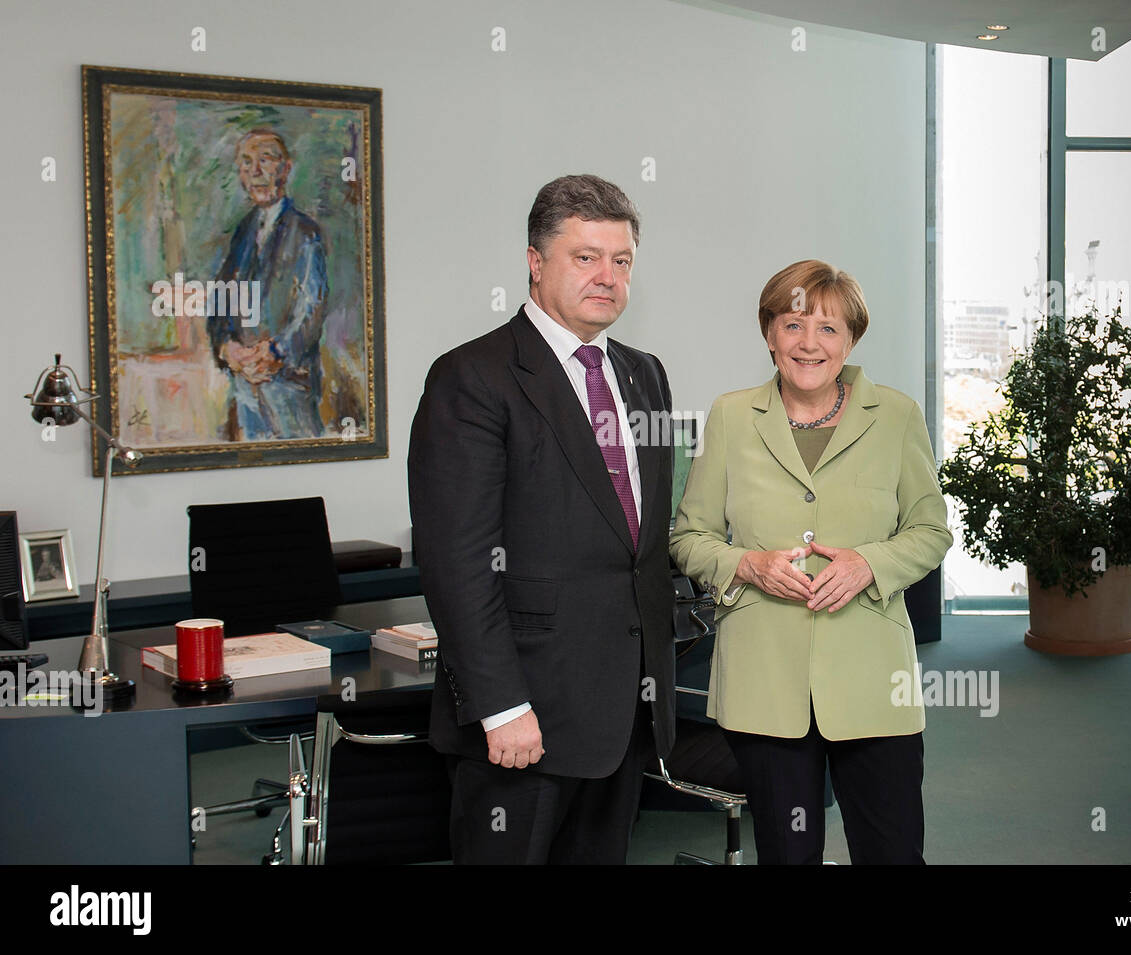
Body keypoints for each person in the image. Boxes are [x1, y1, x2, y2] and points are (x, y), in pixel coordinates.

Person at [407, 174, 676, 864]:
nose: (607, 277)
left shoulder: (645, 376)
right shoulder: (474, 377)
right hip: (523, 719)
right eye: (585, 257)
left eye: (621, 261)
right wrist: (500, 704)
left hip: (621, 711)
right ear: (535, 261)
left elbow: (636, 548)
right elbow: (456, 560)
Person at [669, 259, 953, 864]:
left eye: (828, 328)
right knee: (788, 855)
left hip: (874, 681)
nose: (809, 344)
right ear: (769, 333)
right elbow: (689, 537)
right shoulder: (730, 416)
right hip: (765, 681)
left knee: (894, 853)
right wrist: (748, 565)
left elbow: (931, 531)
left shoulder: (897, 416)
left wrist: (868, 565)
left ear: (851, 340)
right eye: (793, 325)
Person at [206, 128, 328, 440]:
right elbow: (221, 298)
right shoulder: (242, 232)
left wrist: (277, 350)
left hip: (290, 386)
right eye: (246, 163)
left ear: (285, 168)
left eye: (266, 160)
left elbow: (311, 308)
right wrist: (226, 346)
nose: (256, 172)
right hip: (246, 387)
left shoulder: (304, 232)